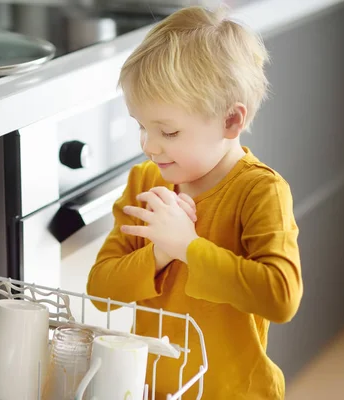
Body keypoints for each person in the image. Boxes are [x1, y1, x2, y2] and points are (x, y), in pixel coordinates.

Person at [86, 5, 303, 399]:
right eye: (141, 126)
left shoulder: (259, 191)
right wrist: (159, 255)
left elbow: (281, 296)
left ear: (230, 122)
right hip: (152, 390)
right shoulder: (146, 182)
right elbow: (101, 290)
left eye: (168, 131)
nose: (149, 146)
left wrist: (187, 247)